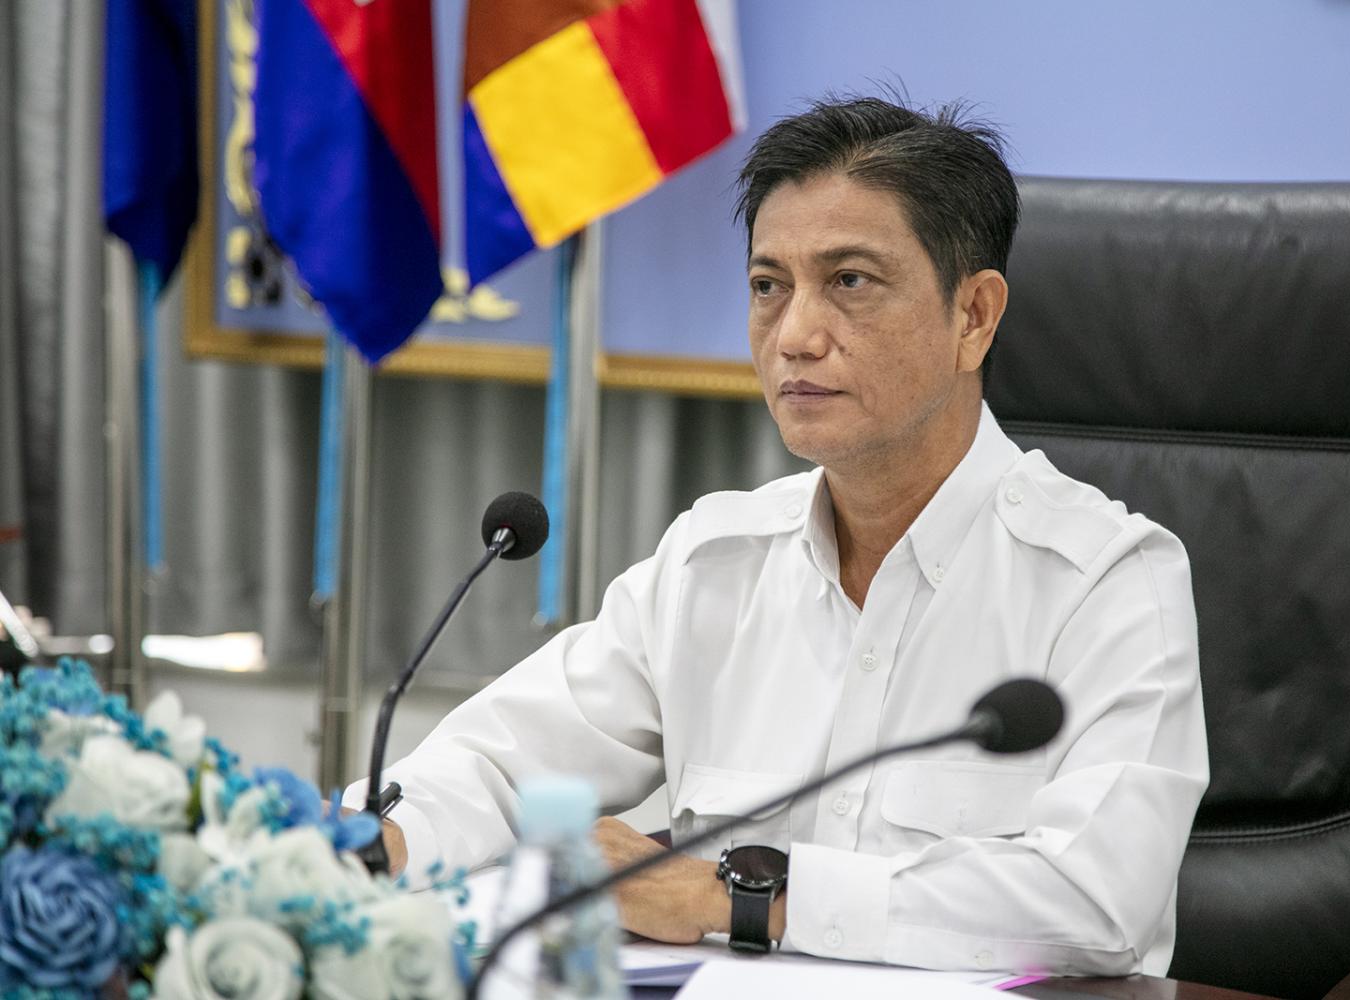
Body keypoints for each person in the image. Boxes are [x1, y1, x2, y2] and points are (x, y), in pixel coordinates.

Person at [353, 95, 1208, 977]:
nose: (794, 335)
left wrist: (736, 899)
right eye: (769, 286)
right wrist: (356, 850)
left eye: (850, 282)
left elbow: (1097, 901)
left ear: (974, 317)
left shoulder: (1107, 581)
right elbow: (496, 765)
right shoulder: (714, 562)